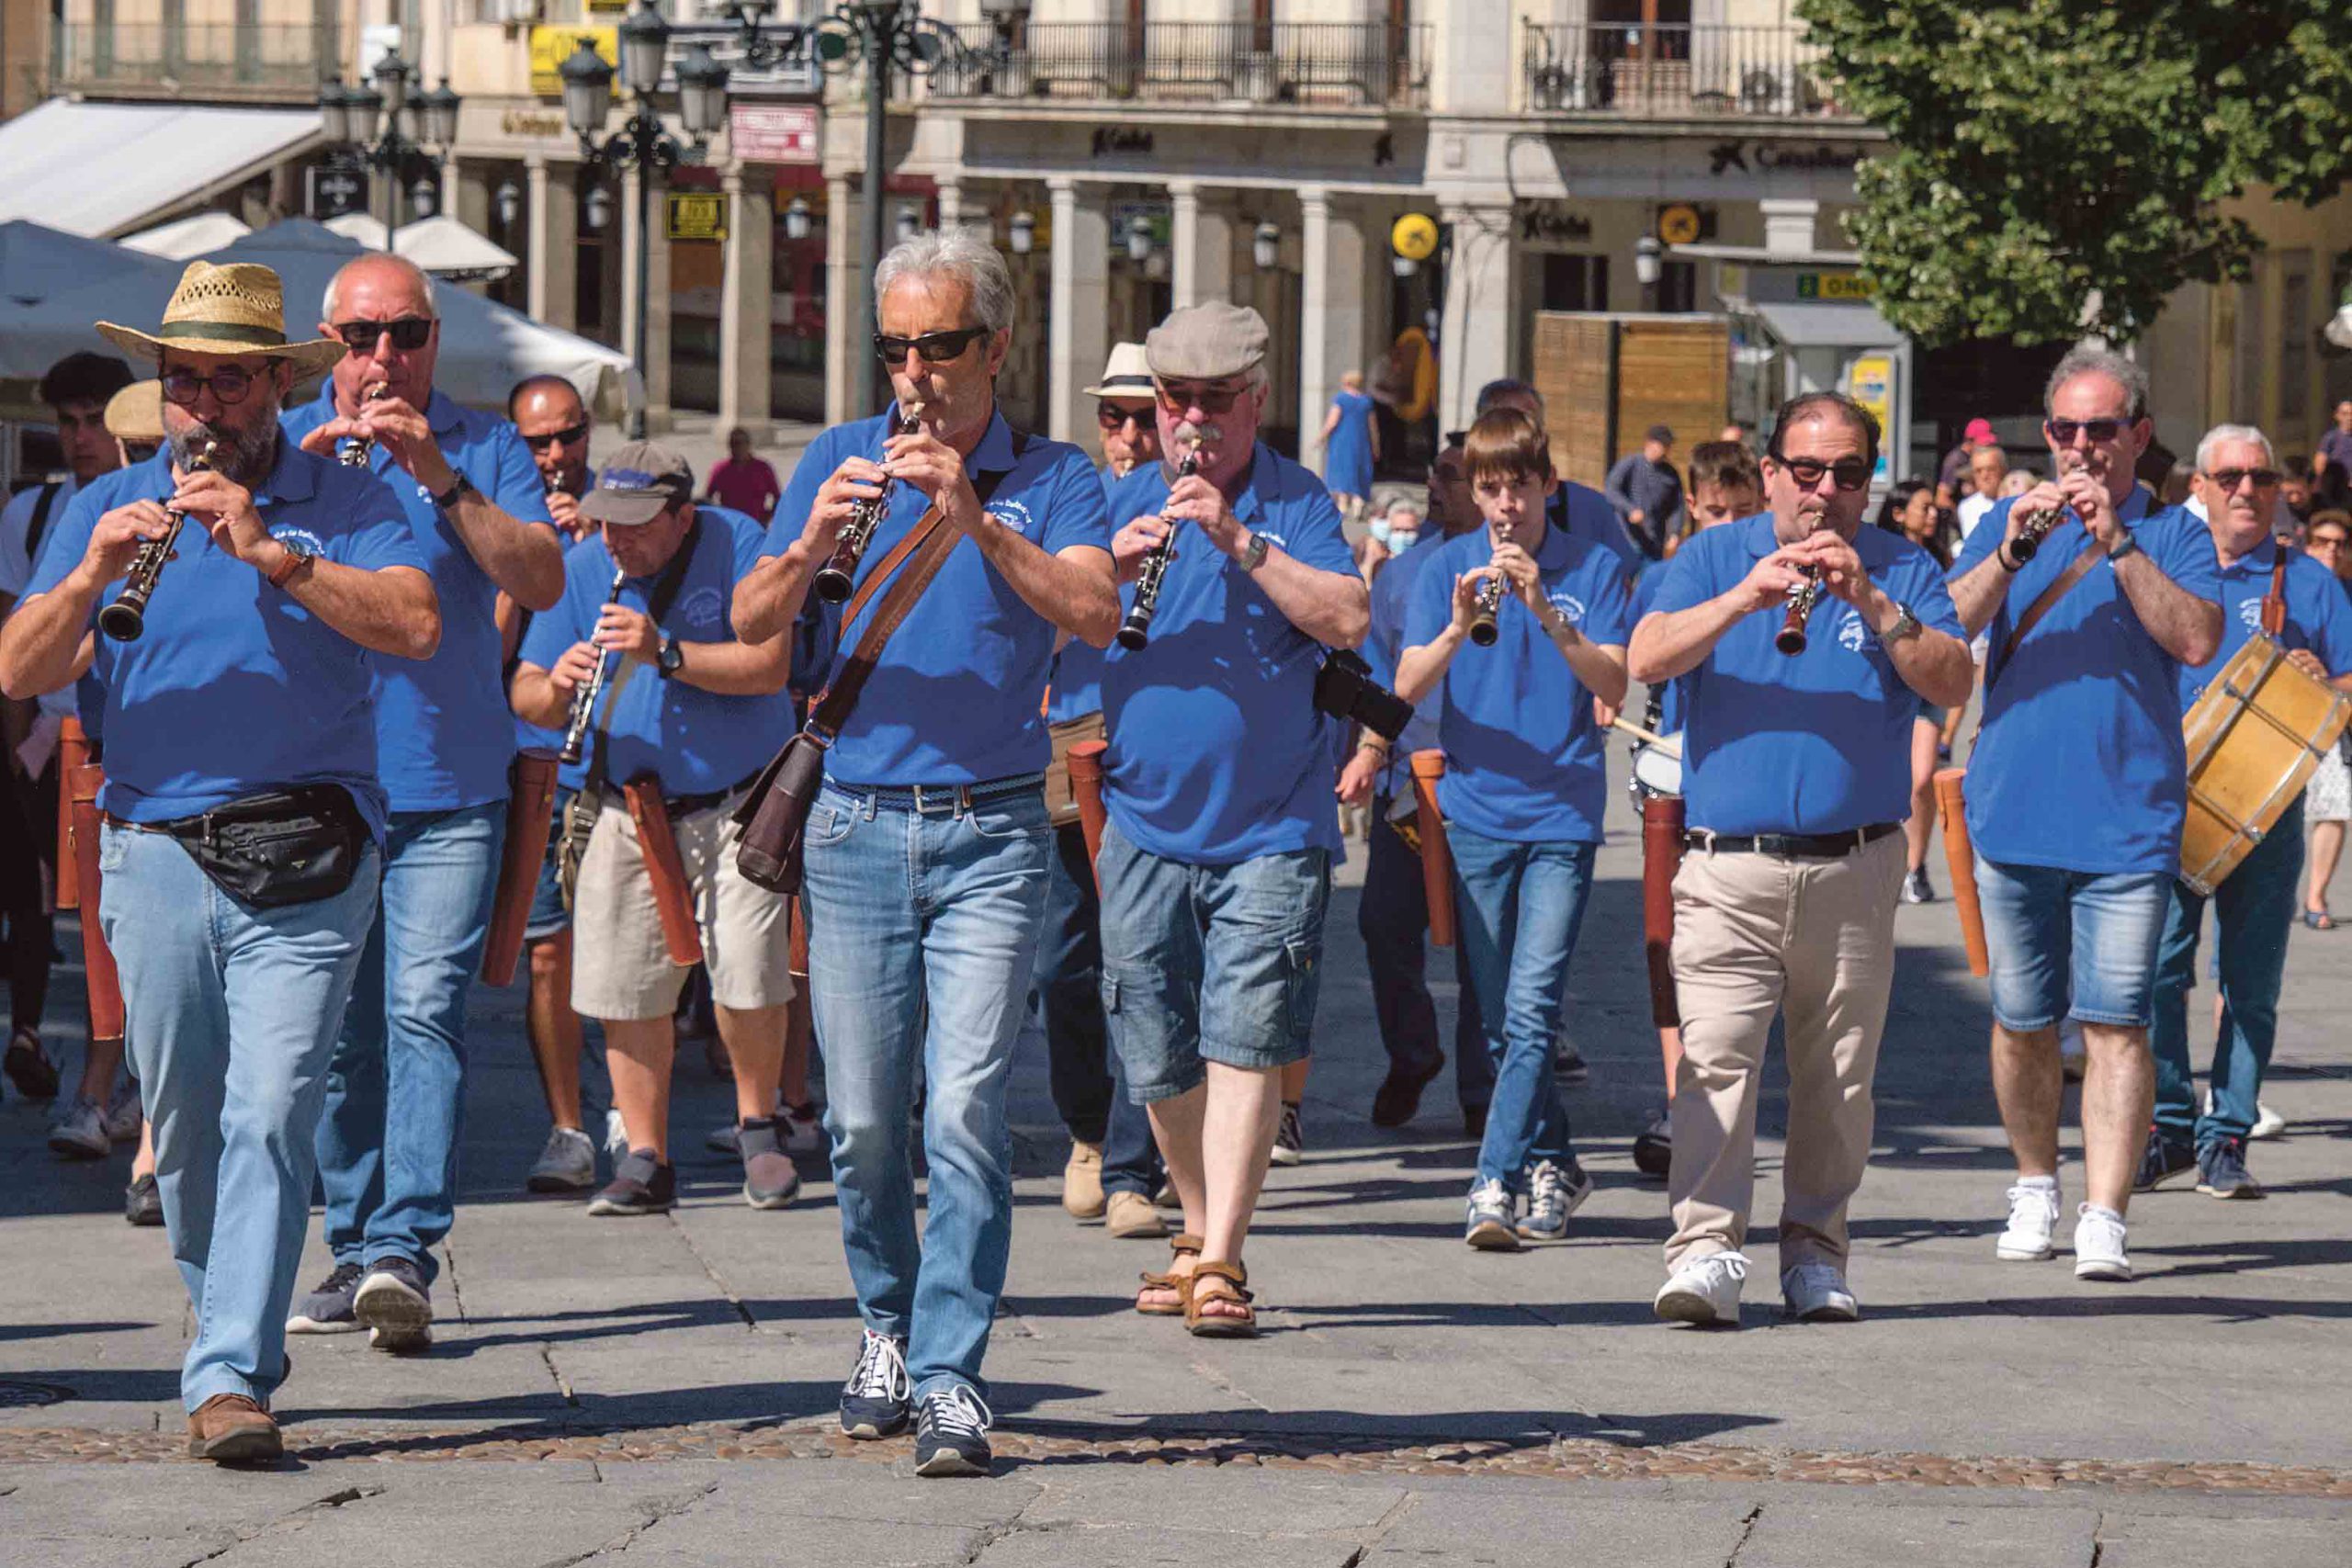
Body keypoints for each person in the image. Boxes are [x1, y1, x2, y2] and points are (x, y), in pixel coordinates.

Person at [0, 260, 440, 1462]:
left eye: (226, 380)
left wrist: (275, 553)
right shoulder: (112, 508)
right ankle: (229, 1320)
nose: (201, 404)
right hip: (150, 847)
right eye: (181, 378)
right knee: (189, 1122)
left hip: (308, 842)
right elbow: (19, 669)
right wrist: (91, 574)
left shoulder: (344, 496)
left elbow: (415, 623)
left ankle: (231, 1367)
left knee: (272, 1101)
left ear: (274, 386)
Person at [731, 231, 1117, 1478]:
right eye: (893, 348)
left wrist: (973, 515)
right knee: (856, 1120)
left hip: (992, 827)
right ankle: (883, 1326)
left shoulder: (1054, 474)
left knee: (958, 1109)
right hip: (851, 826)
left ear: (994, 348)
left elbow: (1095, 607)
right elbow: (747, 619)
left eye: (937, 346)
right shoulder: (838, 457)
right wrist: (806, 546)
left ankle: (952, 1370)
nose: (912, 372)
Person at [1628, 390, 1972, 1325]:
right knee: (1714, 1063)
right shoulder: (1709, 554)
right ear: (1771, 472)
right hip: (1727, 864)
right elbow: (1646, 656)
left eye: (1848, 473)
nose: (1826, 492)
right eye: (1807, 471)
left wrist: (1868, 596)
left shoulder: (1902, 564)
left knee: (1838, 1082)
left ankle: (1816, 1253)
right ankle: (1704, 1252)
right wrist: (1747, 595)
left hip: (1853, 865)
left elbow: (1951, 678)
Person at [278, 253, 563, 1355]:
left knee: (421, 1012)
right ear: (326, 343)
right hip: (318, 783)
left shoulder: (485, 444)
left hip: (446, 785)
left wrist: (439, 474)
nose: (382, 358)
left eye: (403, 334)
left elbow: (539, 582)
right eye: (359, 338)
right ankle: (352, 1246)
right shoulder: (288, 439)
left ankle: (405, 1247)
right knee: (340, 1037)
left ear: (435, 339)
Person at [1097, 300, 1367, 1337]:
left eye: (1215, 402)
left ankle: (1221, 1256)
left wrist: (1238, 539)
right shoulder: (1116, 499)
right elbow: (1052, 625)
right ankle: (1199, 1229)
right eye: (1176, 402)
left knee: (1246, 1035)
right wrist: (1108, 570)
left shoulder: (1294, 502)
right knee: (1154, 1042)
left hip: (1272, 825)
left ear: (1256, 402)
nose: (1192, 423)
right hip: (1143, 820)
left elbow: (1346, 617)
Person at [1945, 347, 2222, 1284]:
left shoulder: (2174, 532)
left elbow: (2193, 635)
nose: (2078, 447)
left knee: (2116, 1023)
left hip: (2126, 821)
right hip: (2014, 809)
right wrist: (2012, 549)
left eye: (2099, 430)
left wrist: (2116, 544)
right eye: (2062, 429)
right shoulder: (2004, 521)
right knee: (2022, 1020)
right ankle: (2034, 1185)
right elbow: (1947, 629)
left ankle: (2105, 1212)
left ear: (2137, 437)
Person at [510, 443, 801, 1216]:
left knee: (747, 967)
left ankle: (757, 1124)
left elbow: (771, 665)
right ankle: (645, 1153)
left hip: (737, 801)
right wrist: (555, 687)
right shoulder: (583, 570)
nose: (616, 540)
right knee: (626, 984)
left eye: (635, 526)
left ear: (682, 515)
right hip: (624, 806)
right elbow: (527, 694)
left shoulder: (740, 542)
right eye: (606, 522)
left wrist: (666, 653)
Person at [1394, 408, 1631, 1248]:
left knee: (1531, 1009)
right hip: (1475, 814)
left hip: (1562, 813)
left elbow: (1615, 675)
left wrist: (1545, 609)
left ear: (1546, 487)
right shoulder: (1447, 568)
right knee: (1499, 1023)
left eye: (1517, 489)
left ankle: (1491, 1180)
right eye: (1488, 489)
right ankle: (1555, 1160)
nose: (1503, 507)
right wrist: (1461, 624)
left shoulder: (1593, 565)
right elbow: (1407, 685)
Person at [2137, 427, 2352, 1200]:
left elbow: (2349, 681)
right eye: (2229, 476)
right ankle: (2167, 1124)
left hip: (2266, 810)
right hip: (2169, 804)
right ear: (2200, 484)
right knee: (2156, 973)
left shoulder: (2310, 580)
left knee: (2250, 981)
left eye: (2261, 476)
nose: (2246, 490)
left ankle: (2226, 1132)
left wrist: (2323, 679)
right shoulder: (2167, 562)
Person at [1043, 343, 1167, 1237]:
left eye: (1141, 415)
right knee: (1063, 962)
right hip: (1065, 739)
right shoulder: (1072, 491)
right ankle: (1088, 1130)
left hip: (1150, 738)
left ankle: (1133, 1162)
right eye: (1111, 416)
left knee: (1145, 958)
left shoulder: (1198, 493)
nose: (1126, 434)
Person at [498, 373, 627, 1191]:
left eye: (568, 436)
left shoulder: (620, 511)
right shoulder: (500, 517)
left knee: (621, 948)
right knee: (547, 954)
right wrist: (536, 562)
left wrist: (592, 544)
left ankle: (625, 1108)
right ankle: (568, 1123)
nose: (555, 456)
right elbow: (486, 647)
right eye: (537, 442)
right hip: (527, 757)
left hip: (612, 763)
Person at [1341, 443, 1491, 1136]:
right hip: (1410, 783)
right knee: (1382, 923)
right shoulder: (1401, 573)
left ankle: (1480, 1088)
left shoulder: (1514, 567)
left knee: (1480, 943)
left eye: (1453, 475)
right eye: (1435, 471)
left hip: (1488, 778)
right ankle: (1413, 1050)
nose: (1437, 484)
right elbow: (1376, 677)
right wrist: (1371, 748)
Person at [1, 350, 134, 1112]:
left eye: (96, 420)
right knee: (42, 907)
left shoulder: (154, 499)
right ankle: (32, 1038)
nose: (81, 437)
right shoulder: (35, 511)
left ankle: (109, 1085)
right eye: (69, 422)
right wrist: (18, 754)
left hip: (120, 740)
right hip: (47, 745)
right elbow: (11, 638)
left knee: (109, 923)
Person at [1875, 479, 1956, 904]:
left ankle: (1915, 865)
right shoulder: (1880, 561)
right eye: (1923, 507)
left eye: (1933, 509)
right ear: (1898, 513)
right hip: (1886, 676)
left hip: (1928, 678)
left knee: (1921, 776)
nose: (1932, 515)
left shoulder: (1940, 559)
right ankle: (1879, 860)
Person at [2301, 511, 2352, 929]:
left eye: (2340, 543)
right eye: (2322, 540)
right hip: (2277, 710)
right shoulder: (2289, 585)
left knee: (2335, 804)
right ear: (2307, 544)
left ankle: (2316, 896)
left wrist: (2327, 676)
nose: (2331, 549)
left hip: (2332, 714)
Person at [1605, 424, 1685, 561]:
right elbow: (1611, 490)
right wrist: (1630, 509)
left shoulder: (1670, 474)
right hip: (1626, 538)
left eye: (1667, 446)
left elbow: (1676, 507)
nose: (1663, 449)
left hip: (1654, 542)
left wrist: (1674, 533)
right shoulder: (1630, 464)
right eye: (1661, 444)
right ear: (1648, 443)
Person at [1315, 369, 1378, 523]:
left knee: (1342, 471)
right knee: (1358, 471)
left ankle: (1342, 507)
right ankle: (1358, 504)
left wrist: (1321, 437)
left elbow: (1332, 421)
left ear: (1346, 383)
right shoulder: (1366, 401)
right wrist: (1376, 446)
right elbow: (1373, 427)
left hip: (1342, 441)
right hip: (1361, 442)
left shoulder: (1341, 399)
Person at [705, 424, 782, 524]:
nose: (737, 448)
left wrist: (768, 516)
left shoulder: (763, 468)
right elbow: (707, 498)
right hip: (730, 525)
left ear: (748, 444)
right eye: (733, 444)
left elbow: (778, 497)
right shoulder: (721, 469)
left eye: (740, 443)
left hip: (755, 523)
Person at [1939, 417, 1996, 502]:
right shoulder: (1955, 460)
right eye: (1983, 443)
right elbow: (1941, 498)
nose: (1986, 447)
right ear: (1969, 441)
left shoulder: (1980, 458)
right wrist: (1959, 512)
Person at [1956, 443, 2007, 541]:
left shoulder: (2017, 502)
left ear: (2003, 470)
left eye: (1990, 469)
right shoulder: (1967, 507)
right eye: (1978, 471)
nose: (1984, 476)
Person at [2312, 399, 2352, 507]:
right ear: (2337, 416)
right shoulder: (2330, 438)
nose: (2349, 418)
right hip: (2336, 490)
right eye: (2345, 414)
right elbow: (2319, 463)